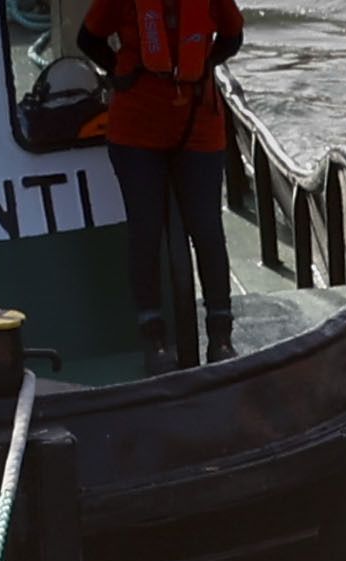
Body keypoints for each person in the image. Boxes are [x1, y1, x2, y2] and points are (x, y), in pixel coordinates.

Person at [79, 0, 248, 367]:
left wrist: (202, 65)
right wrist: (118, 72)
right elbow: (88, 39)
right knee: (145, 228)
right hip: (136, 129)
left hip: (199, 125)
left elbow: (232, 35)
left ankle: (221, 335)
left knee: (206, 227)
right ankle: (153, 336)